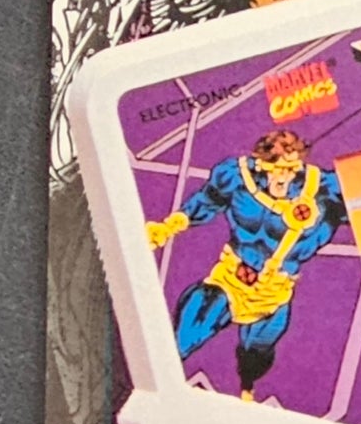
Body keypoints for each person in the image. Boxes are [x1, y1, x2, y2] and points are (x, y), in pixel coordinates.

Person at [147, 128, 346, 400]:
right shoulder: (236, 178)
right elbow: (205, 202)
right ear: (260, 163)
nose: (283, 177)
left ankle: (247, 388)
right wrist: (168, 227)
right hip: (231, 275)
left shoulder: (324, 191)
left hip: (273, 293)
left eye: (291, 169)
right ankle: (159, 382)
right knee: (194, 323)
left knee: (256, 354)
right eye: (276, 169)